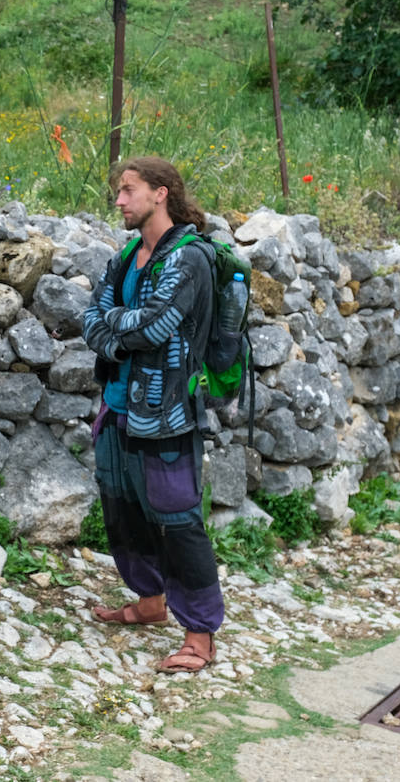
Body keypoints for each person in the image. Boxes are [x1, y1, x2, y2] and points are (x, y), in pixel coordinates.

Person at [81, 156, 224, 673]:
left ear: (161, 193)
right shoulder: (127, 255)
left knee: (178, 521)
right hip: (117, 408)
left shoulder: (188, 259)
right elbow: (89, 318)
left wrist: (115, 329)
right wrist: (119, 331)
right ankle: (149, 601)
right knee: (123, 510)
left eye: (127, 190)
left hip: (166, 416)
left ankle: (200, 634)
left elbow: (155, 328)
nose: (119, 200)